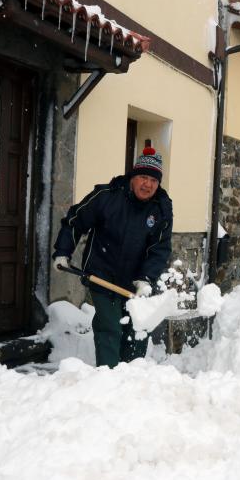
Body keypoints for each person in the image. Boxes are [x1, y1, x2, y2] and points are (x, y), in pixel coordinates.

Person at [52, 147, 173, 367]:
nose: (148, 184)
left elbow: (159, 248)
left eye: (153, 180)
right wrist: (63, 251)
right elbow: (75, 220)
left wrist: (146, 278)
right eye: (143, 177)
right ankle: (108, 377)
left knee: (137, 329)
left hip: (136, 280)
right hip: (102, 273)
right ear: (133, 177)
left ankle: (129, 378)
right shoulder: (107, 196)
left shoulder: (161, 209)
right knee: (110, 327)